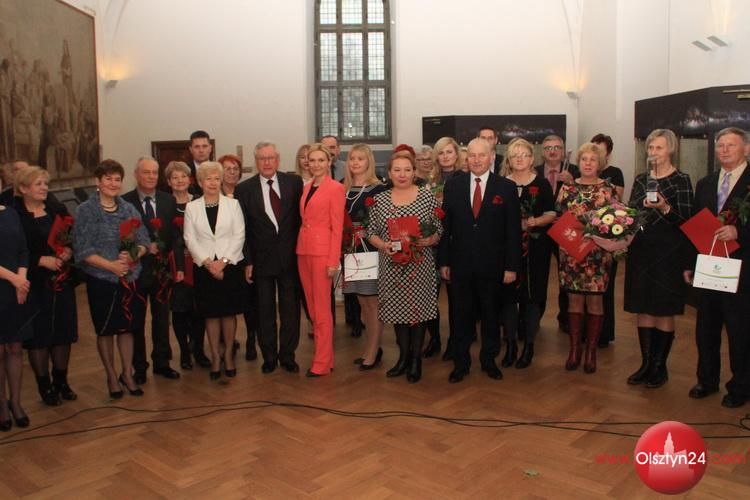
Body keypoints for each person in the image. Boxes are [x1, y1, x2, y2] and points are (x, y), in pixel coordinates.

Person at [438, 139, 520, 383]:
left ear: (492, 156)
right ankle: (460, 363)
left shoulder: (506, 187)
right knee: (460, 315)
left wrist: (511, 266)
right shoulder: (454, 185)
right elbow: (446, 226)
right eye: (471, 155)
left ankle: (488, 360)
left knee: (490, 314)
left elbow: (513, 231)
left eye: (481, 155)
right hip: (460, 264)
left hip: (493, 266)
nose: (476, 160)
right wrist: (444, 261)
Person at [74, 159, 149, 398]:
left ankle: (127, 373)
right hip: (101, 279)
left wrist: (134, 254)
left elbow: (144, 241)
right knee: (106, 330)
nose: (113, 183)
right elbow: (82, 250)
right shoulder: (86, 210)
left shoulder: (129, 209)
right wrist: (111, 266)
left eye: (117, 179)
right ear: (98, 181)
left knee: (127, 329)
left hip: (129, 278)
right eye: (108, 179)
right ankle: (111, 376)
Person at [686, 127, 750, 408]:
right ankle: (707, 380)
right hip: (708, 265)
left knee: (739, 330)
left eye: (731, 145)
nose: (724, 150)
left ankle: (740, 386)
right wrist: (690, 264)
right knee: (706, 327)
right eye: (720, 145)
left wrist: (739, 233)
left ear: (746, 148)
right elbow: (696, 225)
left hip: (741, 267)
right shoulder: (706, 183)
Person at [625, 129, 694, 388]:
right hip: (642, 249)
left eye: (659, 148)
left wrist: (665, 207)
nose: (653, 152)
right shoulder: (641, 179)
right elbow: (631, 214)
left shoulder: (681, 180)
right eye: (651, 147)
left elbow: (687, 220)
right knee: (643, 306)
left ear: (671, 150)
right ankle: (646, 364)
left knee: (663, 308)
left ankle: (659, 366)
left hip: (669, 252)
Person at [367, 151, 442, 383]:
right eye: (397, 170)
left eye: (407, 170)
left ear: (414, 172)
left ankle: (416, 360)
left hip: (420, 266)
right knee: (398, 312)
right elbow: (371, 232)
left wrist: (431, 239)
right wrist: (383, 245)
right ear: (389, 173)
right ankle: (403, 358)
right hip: (392, 266)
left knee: (417, 313)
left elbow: (439, 228)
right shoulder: (380, 200)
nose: (402, 174)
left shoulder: (426, 197)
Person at [236, 142, 303, 374]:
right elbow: (243, 229)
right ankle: (269, 357)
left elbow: (301, 221)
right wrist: (248, 260)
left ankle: (288, 355)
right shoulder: (244, 189)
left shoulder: (294, 183)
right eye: (262, 158)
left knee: (290, 311)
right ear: (256, 161)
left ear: (278, 159)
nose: (267, 162)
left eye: (270, 158)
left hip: (289, 259)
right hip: (260, 261)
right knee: (264, 311)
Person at [14, 166, 78, 406]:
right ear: (23, 188)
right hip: (34, 283)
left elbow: (69, 237)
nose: (44, 188)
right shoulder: (15, 215)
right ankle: (44, 385)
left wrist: (67, 251)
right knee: (39, 337)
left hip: (61, 280)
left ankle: (61, 380)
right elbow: (12, 251)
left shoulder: (55, 209)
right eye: (38, 184)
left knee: (63, 332)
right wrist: (40, 261)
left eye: (45, 183)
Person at [556, 143, 618, 374]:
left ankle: (591, 352)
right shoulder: (567, 188)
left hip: (598, 254)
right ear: (578, 163)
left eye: (593, 159)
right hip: (571, 253)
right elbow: (558, 218)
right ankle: (574, 350)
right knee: (574, 302)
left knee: (595, 302)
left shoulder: (608, 189)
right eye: (584, 159)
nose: (588, 163)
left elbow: (617, 222)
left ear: (599, 163)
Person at [183, 162, 247, 381]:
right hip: (204, 268)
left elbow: (239, 235)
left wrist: (223, 262)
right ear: (200, 183)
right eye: (208, 179)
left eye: (216, 178)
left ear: (221, 181)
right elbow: (190, 239)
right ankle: (215, 358)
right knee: (210, 314)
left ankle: (228, 355)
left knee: (228, 313)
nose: (212, 182)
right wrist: (209, 263)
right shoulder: (192, 208)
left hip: (230, 266)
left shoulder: (233, 205)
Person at [122, 157, 180, 384]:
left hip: (162, 272)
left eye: (154, 172)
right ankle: (139, 367)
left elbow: (174, 236)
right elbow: (123, 237)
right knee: (137, 320)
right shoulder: (125, 202)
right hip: (136, 271)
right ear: (136, 174)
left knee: (162, 319)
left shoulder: (168, 200)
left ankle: (162, 362)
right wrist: (141, 250)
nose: (151, 176)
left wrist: (175, 263)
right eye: (146, 172)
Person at [499, 138, 555, 369]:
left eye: (524, 155)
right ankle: (511, 344)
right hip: (507, 250)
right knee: (508, 298)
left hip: (535, 250)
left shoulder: (542, 184)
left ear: (532, 159)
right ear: (509, 160)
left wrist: (535, 221)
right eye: (515, 155)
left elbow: (552, 214)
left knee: (531, 298)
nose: (520, 159)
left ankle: (529, 346)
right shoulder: (502, 184)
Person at [297, 144, 345, 377]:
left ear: (329, 162)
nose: (316, 164)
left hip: (322, 253)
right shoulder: (307, 187)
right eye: (312, 160)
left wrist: (333, 261)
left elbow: (337, 227)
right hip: (303, 250)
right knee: (312, 309)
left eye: (321, 160)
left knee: (322, 309)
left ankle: (322, 362)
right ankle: (327, 357)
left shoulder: (335, 188)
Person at [343, 144, 387, 370]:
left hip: (370, 249)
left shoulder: (378, 189)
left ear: (369, 161)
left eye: (360, 158)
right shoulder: (342, 188)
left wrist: (366, 231)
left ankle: (373, 350)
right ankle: (372, 347)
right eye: (352, 158)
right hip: (351, 251)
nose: (355, 162)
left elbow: (384, 221)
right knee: (361, 301)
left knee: (372, 301)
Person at [535, 135, 580, 333]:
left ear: (563, 151)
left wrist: (572, 183)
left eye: (557, 147)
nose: (552, 151)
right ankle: (535, 317)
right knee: (539, 274)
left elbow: (585, 199)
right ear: (542, 152)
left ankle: (566, 318)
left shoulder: (575, 171)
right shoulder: (534, 172)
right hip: (540, 229)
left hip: (566, 229)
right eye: (548, 148)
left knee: (567, 274)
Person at [164, 161, 202, 370]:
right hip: (175, 265)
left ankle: (198, 349)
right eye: (175, 177)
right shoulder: (165, 204)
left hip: (199, 262)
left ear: (190, 179)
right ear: (169, 181)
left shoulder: (199, 201)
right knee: (180, 310)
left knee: (199, 308)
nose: (179, 180)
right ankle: (185, 352)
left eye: (183, 176)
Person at [429, 136, 462, 361]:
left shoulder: (465, 179)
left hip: (454, 245)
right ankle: (434, 339)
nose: (445, 156)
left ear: (456, 154)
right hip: (431, 246)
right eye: (441, 152)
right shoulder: (429, 182)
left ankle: (455, 341)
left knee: (455, 299)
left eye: (449, 152)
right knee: (429, 296)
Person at [0, 196, 32, 429]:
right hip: (7, 283)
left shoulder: (10, 213)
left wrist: (21, 280)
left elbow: (23, 249)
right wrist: (15, 279)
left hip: (16, 288)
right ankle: (2, 404)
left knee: (15, 348)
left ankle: (16, 402)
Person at [591, 133, 626, 348]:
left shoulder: (615, 174)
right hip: (585, 240)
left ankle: (603, 333)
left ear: (608, 153)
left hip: (607, 237)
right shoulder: (581, 173)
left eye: (600, 151)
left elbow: (616, 204)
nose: (595, 156)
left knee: (605, 287)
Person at [187, 130, 212, 196]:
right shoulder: (185, 171)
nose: (201, 150)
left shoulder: (219, 169)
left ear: (210, 148)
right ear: (191, 149)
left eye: (204, 146)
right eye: (197, 147)